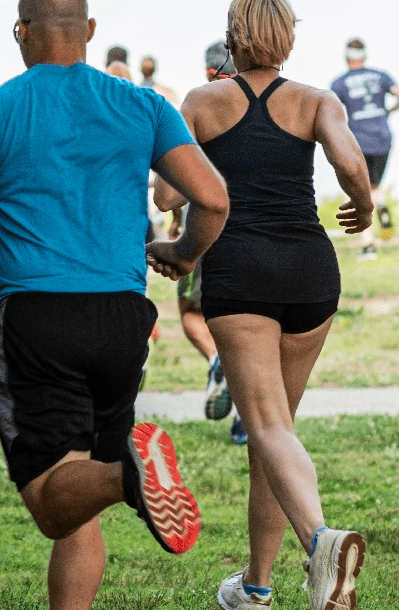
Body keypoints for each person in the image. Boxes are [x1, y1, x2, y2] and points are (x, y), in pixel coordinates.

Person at [0, 1, 230, 608]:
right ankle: (121, 477)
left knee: (49, 502)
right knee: (78, 494)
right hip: (122, 320)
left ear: (21, 32)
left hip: (37, 319)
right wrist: (184, 253)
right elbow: (214, 198)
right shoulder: (143, 104)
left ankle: (131, 476)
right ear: (90, 30)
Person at [157, 1, 373, 608]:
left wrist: (175, 206)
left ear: (232, 40)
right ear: (287, 40)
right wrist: (365, 203)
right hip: (311, 271)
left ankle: (323, 544)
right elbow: (352, 162)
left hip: (241, 271)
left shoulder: (202, 102)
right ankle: (254, 587)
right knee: (274, 435)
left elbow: (171, 193)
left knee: (268, 428)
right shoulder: (316, 99)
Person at [161, 40, 245, 444]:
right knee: (255, 330)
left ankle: (216, 362)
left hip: (209, 233)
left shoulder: (198, 108)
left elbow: (167, 194)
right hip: (263, 237)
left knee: (192, 311)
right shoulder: (280, 104)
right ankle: (249, 415)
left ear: (209, 71)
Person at [330, 38, 399, 260]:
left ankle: (368, 247)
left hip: (357, 140)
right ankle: (381, 206)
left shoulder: (340, 82)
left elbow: (329, 111)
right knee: (374, 185)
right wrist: (389, 111)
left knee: (358, 191)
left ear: (347, 57)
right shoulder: (381, 76)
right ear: (365, 56)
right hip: (382, 138)